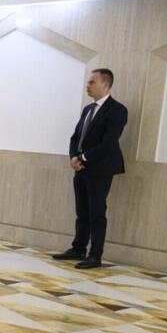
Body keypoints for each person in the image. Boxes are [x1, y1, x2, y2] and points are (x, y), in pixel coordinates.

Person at [52, 68, 128, 269]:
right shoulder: (88, 109)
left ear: (105, 85)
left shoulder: (117, 110)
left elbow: (108, 142)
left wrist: (83, 157)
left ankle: (95, 255)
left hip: (100, 168)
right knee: (82, 211)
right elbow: (75, 137)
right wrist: (73, 158)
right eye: (88, 82)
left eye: (91, 82)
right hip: (81, 167)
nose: (87, 86)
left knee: (96, 212)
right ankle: (78, 248)